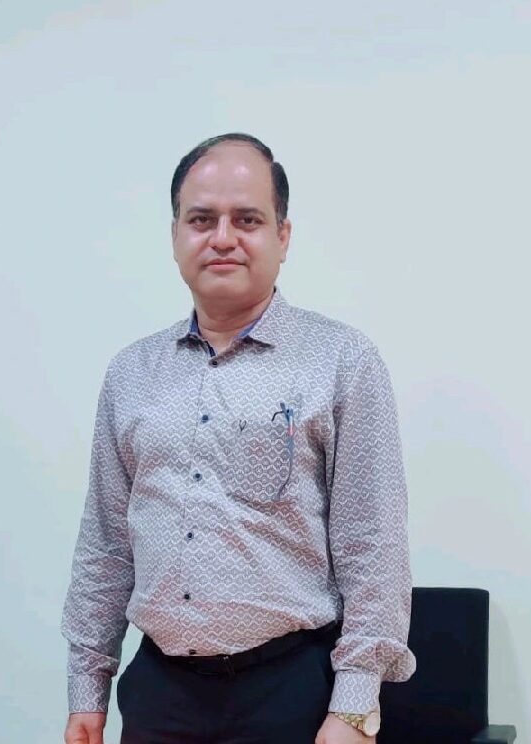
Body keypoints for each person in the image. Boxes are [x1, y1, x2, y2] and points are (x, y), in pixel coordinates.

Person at [60, 133, 416, 744]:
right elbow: (107, 544)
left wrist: (355, 707)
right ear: (175, 235)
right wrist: (87, 689)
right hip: (160, 695)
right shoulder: (131, 373)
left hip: (291, 692)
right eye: (202, 220)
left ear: (283, 236)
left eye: (247, 219)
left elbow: (372, 543)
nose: (222, 237)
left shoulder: (341, 361)